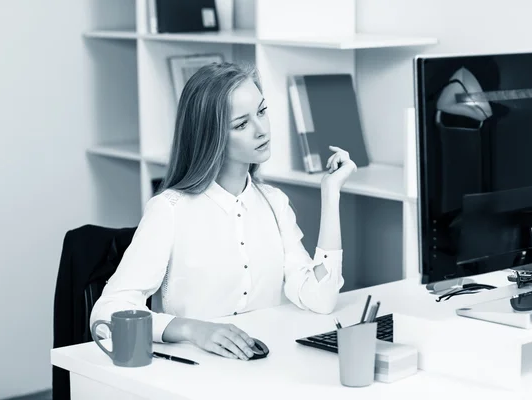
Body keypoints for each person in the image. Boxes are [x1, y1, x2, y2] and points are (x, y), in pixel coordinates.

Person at [90, 62, 357, 361]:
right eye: (242, 124)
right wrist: (193, 330)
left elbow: (320, 299)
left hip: (263, 368)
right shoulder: (170, 210)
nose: (261, 129)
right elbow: (107, 312)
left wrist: (331, 193)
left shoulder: (274, 202)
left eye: (262, 111)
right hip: (194, 373)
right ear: (210, 136)